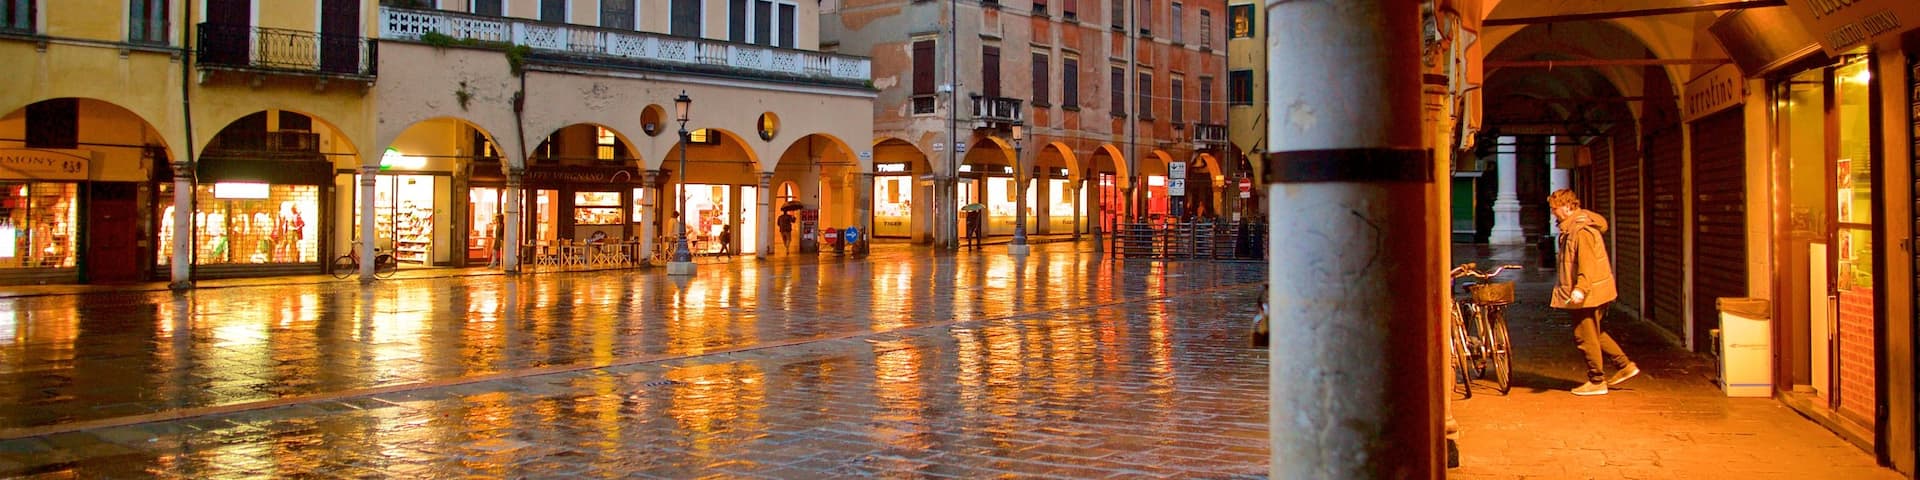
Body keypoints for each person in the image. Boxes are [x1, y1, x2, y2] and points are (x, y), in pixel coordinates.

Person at [1549, 189, 1638, 396]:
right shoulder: (1572, 228)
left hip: (1588, 293)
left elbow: (1586, 264)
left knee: (1584, 336)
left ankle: (1597, 380)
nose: (1554, 213)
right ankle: (1624, 365)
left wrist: (1580, 289)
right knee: (1595, 332)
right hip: (1594, 290)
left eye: (1556, 209)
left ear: (1569, 206)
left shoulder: (1581, 231)